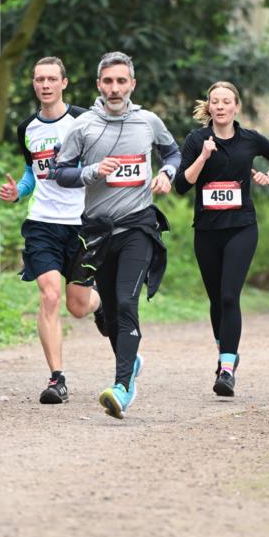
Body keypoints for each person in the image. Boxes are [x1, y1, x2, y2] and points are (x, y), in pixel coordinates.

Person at [52, 51, 181, 419]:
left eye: (121, 81)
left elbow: (172, 153)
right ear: (98, 85)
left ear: (132, 85)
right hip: (97, 232)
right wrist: (91, 172)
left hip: (138, 226)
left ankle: (123, 388)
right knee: (108, 315)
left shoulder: (148, 121)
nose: (114, 88)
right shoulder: (83, 126)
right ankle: (131, 359)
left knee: (127, 303)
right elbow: (60, 173)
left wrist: (168, 174)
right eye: (108, 81)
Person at [175, 82, 269, 397]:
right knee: (215, 300)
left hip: (242, 228)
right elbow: (181, 185)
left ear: (236, 106)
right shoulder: (196, 140)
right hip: (207, 231)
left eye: (227, 101)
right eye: (216, 101)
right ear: (209, 107)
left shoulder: (250, 139)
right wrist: (203, 156)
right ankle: (226, 350)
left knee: (229, 297)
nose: (221, 106)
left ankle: (226, 370)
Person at [0, 57, 101, 405]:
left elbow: (99, 166)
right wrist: (18, 192)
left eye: (51, 79)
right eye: (39, 79)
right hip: (41, 222)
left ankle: (102, 303)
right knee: (49, 295)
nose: (45, 85)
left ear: (64, 83)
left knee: (78, 306)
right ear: (33, 84)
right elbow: (32, 174)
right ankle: (57, 378)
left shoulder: (85, 121)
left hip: (81, 223)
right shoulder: (27, 127)